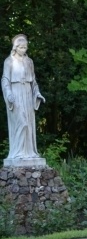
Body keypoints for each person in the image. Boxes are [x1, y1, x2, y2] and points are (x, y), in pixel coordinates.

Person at [2, 34, 45, 162]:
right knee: (21, 122)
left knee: (29, 123)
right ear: (15, 48)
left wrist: (37, 93)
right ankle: (18, 153)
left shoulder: (29, 61)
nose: (23, 49)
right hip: (15, 93)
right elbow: (5, 79)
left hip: (27, 93)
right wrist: (8, 93)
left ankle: (29, 153)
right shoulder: (9, 61)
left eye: (25, 47)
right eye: (21, 47)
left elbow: (34, 82)